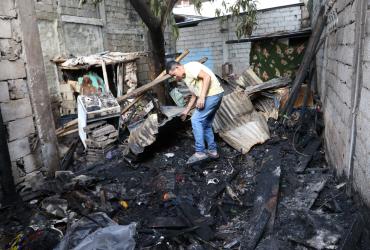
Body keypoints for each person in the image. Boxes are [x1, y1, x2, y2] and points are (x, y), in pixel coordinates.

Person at [166, 61, 224, 165]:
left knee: (196, 120)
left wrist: (202, 97)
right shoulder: (186, 77)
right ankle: (213, 151)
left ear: (178, 67)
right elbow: (194, 95)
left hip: (212, 95)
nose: (174, 78)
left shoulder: (190, 67)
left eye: (174, 75)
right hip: (215, 95)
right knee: (206, 124)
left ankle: (200, 152)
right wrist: (186, 110)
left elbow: (207, 77)